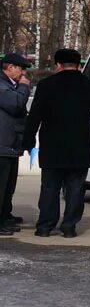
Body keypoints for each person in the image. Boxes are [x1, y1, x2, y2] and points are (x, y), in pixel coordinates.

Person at [22, 48, 90, 238]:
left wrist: (27, 141)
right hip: (80, 146)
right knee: (75, 188)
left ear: (58, 65)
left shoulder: (46, 85)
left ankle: (44, 227)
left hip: (52, 146)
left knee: (49, 188)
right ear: (78, 65)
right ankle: (69, 226)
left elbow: (34, 117)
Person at [0, 52, 32, 235]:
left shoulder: (9, 85)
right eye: (20, 69)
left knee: (8, 187)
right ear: (10, 67)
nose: (23, 74)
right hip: (3, 144)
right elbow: (16, 104)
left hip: (10, 144)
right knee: (1, 186)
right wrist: (23, 88)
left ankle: (5, 216)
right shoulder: (3, 86)